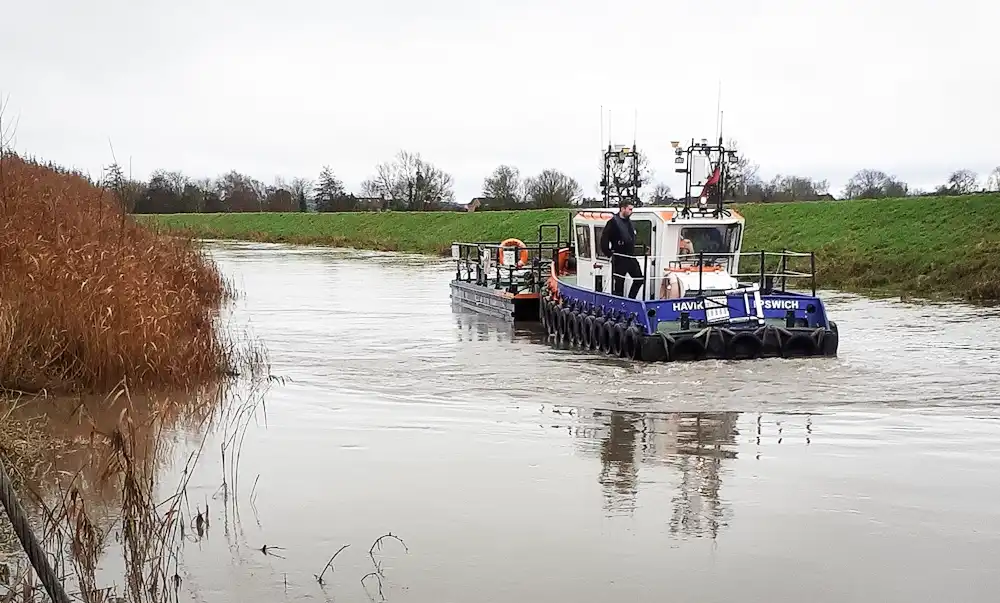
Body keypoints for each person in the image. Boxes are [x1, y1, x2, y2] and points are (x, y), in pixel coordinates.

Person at [599, 199, 644, 298]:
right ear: (623, 209)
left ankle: (631, 299)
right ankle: (619, 304)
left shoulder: (629, 223)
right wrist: (609, 253)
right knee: (619, 284)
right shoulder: (612, 223)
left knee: (639, 279)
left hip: (630, 256)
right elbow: (604, 240)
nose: (631, 212)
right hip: (619, 257)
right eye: (630, 209)